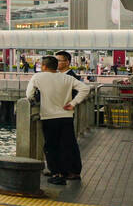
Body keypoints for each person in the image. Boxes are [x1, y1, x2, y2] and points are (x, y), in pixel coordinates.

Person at [26, 56, 90, 185]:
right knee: (68, 144)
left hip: (49, 117)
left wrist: (35, 100)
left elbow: (29, 95)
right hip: (66, 116)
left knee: (51, 146)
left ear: (44, 66)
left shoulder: (38, 77)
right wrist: (73, 103)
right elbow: (85, 89)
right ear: (56, 66)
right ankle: (72, 172)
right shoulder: (67, 78)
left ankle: (57, 174)